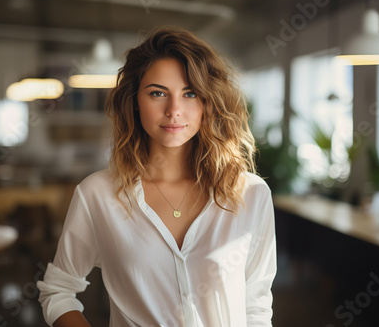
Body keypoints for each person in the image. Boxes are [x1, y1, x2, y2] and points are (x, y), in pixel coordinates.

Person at [37, 27, 277, 327]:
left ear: (207, 102)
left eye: (190, 93)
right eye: (157, 93)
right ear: (135, 101)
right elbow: (58, 290)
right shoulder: (97, 194)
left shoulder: (251, 194)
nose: (174, 110)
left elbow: (255, 305)